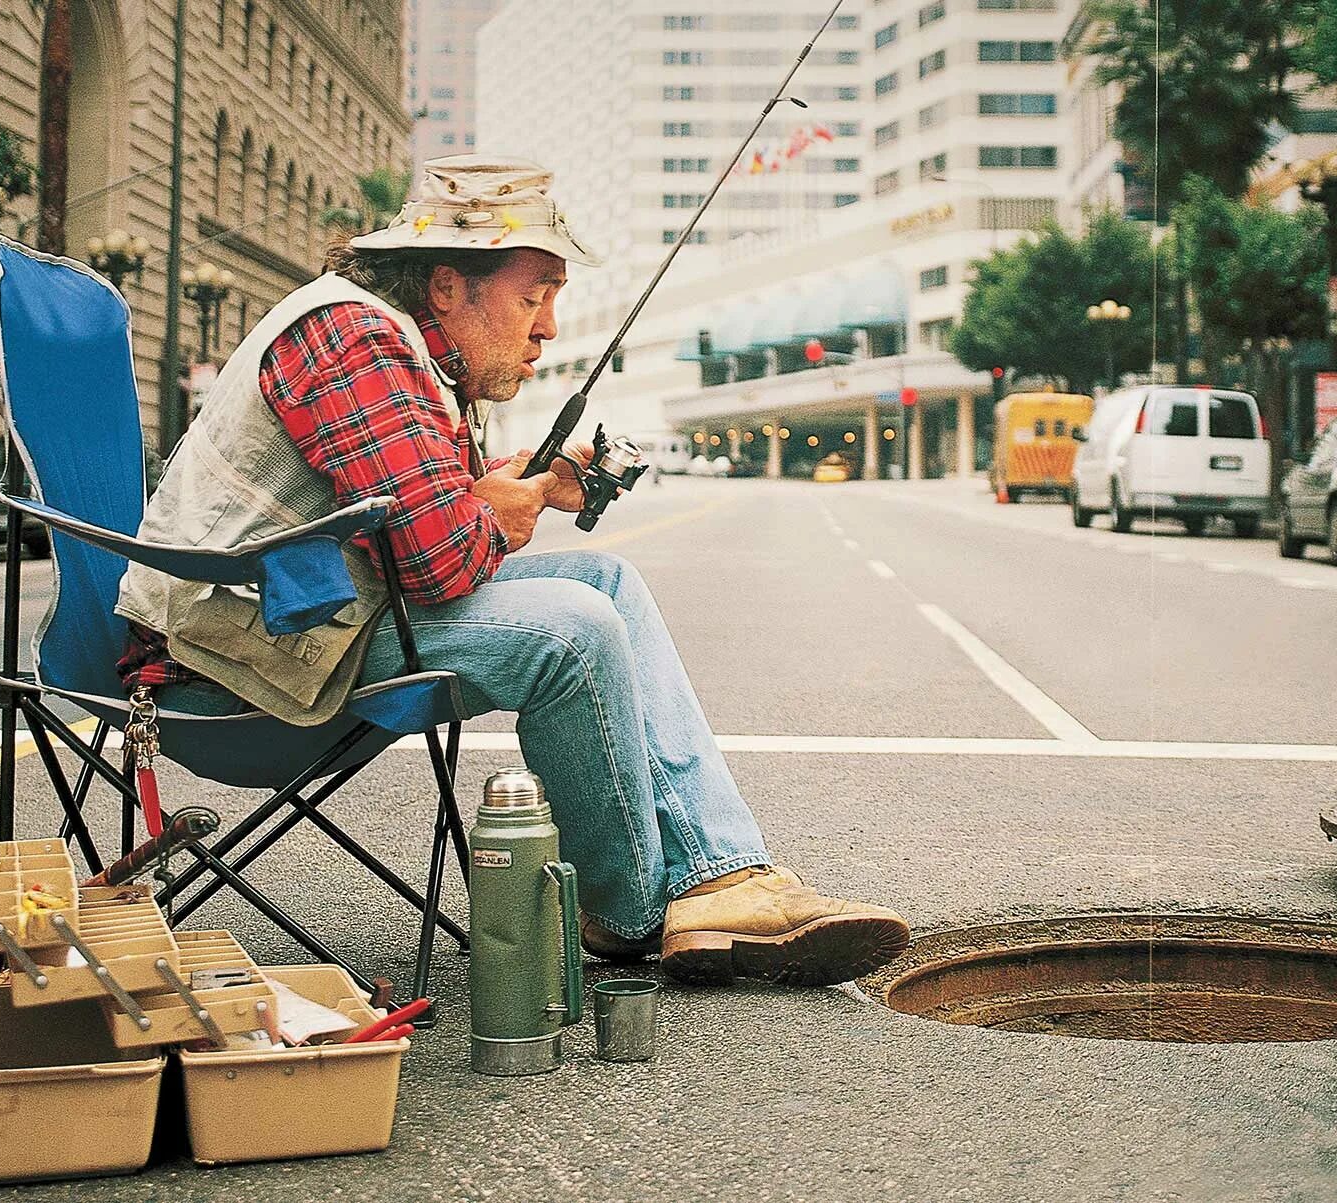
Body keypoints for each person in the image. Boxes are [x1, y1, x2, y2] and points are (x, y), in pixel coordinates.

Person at [115, 155, 909, 986]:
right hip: (226, 661)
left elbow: (411, 510)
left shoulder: (400, 349)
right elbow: (436, 559)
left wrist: (520, 481)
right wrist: (497, 509)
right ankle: (631, 910)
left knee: (607, 585)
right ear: (450, 286)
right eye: (535, 296)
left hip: (305, 616)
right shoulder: (355, 337)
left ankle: (721, 873)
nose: (549, 328)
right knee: (574, 631)